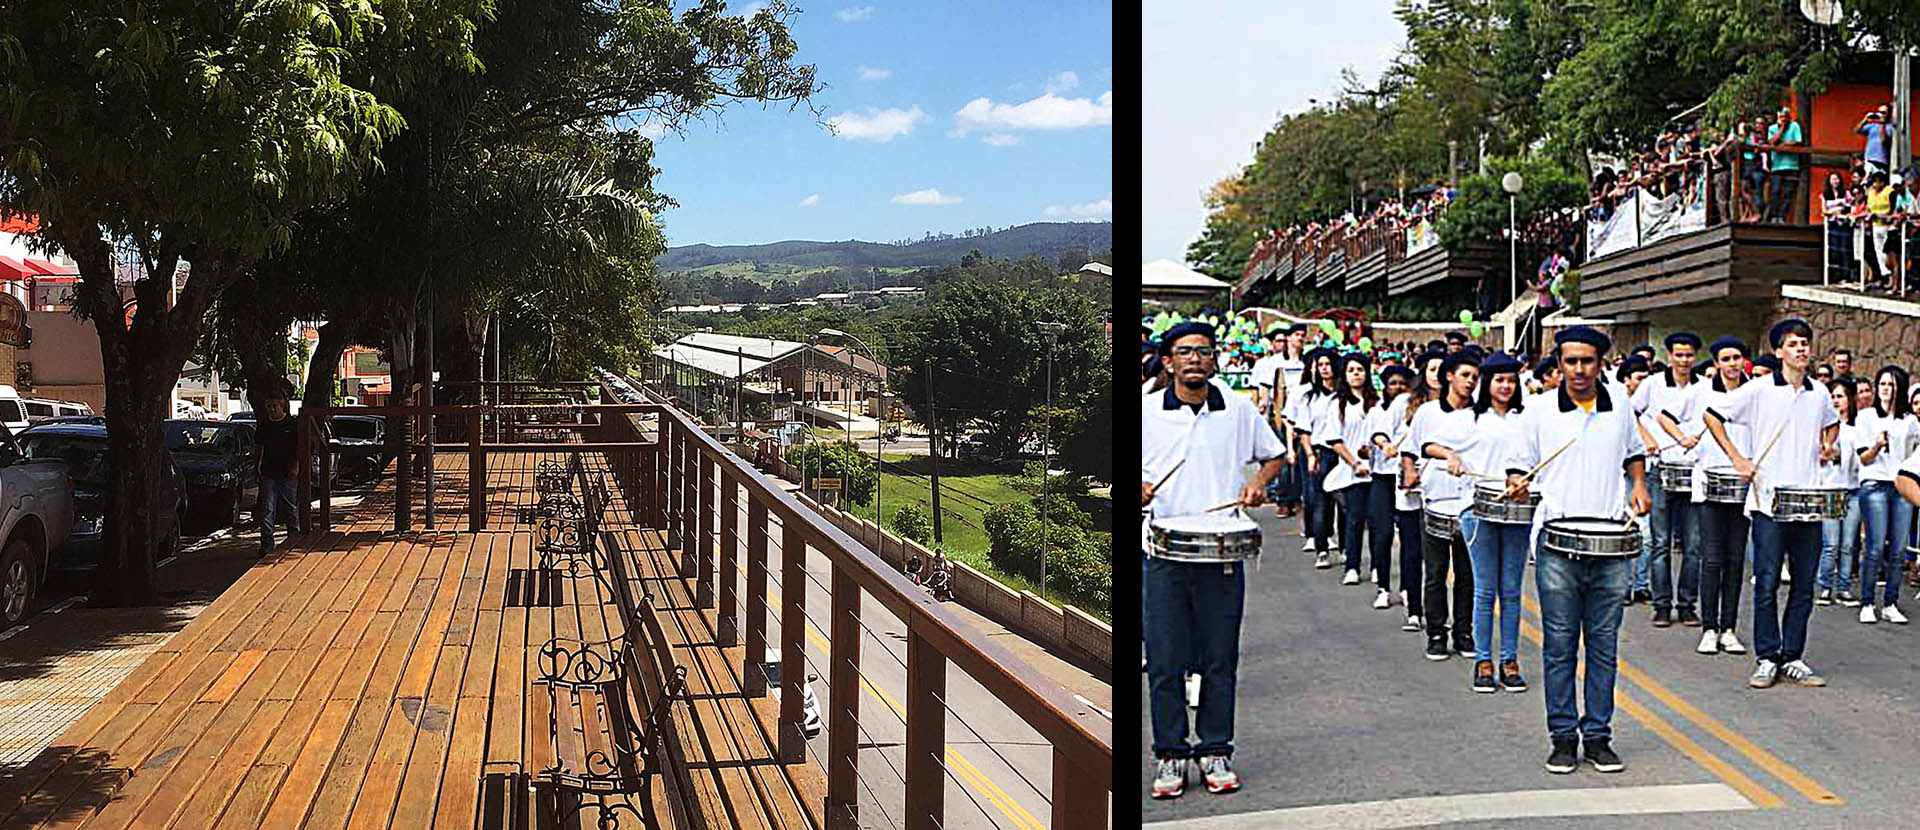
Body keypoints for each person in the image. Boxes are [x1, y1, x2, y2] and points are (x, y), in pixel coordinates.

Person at [1143, 322, 1285, 799]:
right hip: (1162, 551)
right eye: (1185, 352)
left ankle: (1215, 749)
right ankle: (1170, 755)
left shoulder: (1238, 410)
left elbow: (1274, 455)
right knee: (1165, 660)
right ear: (1168, 361)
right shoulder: (1145, 412)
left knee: (1219, 659)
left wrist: (1258, 484)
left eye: (1204, 351)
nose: (1195, 360)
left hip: (1222, 550)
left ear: (1214, 359)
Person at [1505, 326, 1652, 774]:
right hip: (1556, 542)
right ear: (1559, 363)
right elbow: (1519, 466)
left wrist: (1640, 485)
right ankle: (1563, 736)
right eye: (1571, 361)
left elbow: (1633, 453)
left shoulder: (1619, 405)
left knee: (1604, 646)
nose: (1579, 370)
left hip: (1610, 541)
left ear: (1600, 363)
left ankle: (1599, 736)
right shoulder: (1538, 410)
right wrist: (1517, 484)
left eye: (1587, 361)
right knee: (1560, 645)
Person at [1703, 318, 1842, 689]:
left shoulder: (1820, 393)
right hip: (1767, 501)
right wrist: (1737, 459)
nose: (1800, 350)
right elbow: (1713, 415)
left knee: (1804, 585)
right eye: (1793, 344)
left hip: (1808, 500)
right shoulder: (1760, 389)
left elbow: (1832, 423)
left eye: (1805, 344)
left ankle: (1793, 656)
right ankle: (1767, 656)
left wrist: (1828, 445)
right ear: (1779, 351)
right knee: (1766, 582)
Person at [1438, 352, 1530, 693]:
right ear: (1486, 383)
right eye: (1499, 380)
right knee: (1484, 589)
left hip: (1519, 510)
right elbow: (1430, 444)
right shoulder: (1468, 419)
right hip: (1477, 508)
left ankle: (1509, 659)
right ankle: (1482, 661)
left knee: (1511, 590)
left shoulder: (1527, 418)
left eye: (1511, 380)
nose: (1506, 386)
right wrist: (1451, 457)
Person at [1659, 337, 1754, 655]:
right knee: (1711, 557)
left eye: (1736, 358)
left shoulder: (1754, 392)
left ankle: (1729, 628)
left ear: (1743, 361)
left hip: (1744, 484)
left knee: (1736, 559)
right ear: (1716, 363)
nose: (1731, 364)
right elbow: (1664, 416)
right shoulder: (1699, 392)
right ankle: (1709, 627)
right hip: (1708, 483)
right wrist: (1681, 437)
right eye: (1725, 358)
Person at [1409, 352, 1481, 661]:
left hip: (1470, 502)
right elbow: (1419, 446)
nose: (1471, 382)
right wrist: (1446, 456)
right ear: (1449, 376)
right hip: (1437, 500)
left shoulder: (1482, 414)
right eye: (1465, 375)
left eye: (1475, 377)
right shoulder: (1427, 412)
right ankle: (1436, 633)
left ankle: (1464, 632)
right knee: (1436, 572)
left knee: (1468, 574)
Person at [1635, 332, 1704, 627]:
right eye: (1678, 354)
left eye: (1689, 355)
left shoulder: (1705, 387)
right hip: (1660, 468)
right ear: (1669, 355)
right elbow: (1631, 414)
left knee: (1693, 545)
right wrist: (1647, 438)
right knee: (1661, 542)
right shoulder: (1652, 384)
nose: (1684, 360)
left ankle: (1687, 604)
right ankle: (1662, 605)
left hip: (1695, 471)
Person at [1854, 365, 1916, 624]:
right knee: (1876, 545)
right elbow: (1864, 459)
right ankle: (1867, 602)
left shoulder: (1910, 421)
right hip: (1875, 484)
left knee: (1899, 548)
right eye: (1882, 384)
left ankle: (1890, 602)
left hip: (1900, 486)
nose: (1886, 389)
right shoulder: (1866, 417)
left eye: (1891, 384)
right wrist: (1877, 445)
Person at [1321, 353, 1378, 588]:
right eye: (1351, 370)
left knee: (1377, 521)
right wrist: (1354, 462)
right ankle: (1352, 566)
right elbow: (1334, 439)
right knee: (1354, 519)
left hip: (1377, 471)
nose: (1356, 374)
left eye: (1360, 369)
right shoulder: (1338, 404)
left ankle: (1378, 565)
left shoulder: (1377, 402)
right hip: (1352, 470)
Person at [1367, 364, 1415, 611]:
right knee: (1383, 534)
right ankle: (1384, 588)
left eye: (1403, 383)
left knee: (1410, 539)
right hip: (1384, 477)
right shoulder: (1387, 408)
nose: (1398, 388)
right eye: (1393, 383)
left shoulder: (1422, 407)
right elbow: (1378, 434)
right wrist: (1384, 444)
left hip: (1408, 480)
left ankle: (1408, 588)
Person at [1816, 378, 1864, 608]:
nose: (1836, 401)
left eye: (1841, 396)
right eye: (1833, 396)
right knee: (1831, 543)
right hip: (1831, 489)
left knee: (1848, 544)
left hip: (1853, 489)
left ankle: (1844, 587)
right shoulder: (1823, 427)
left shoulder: (1858, 428)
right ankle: (1825, 585)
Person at [252, 386, 302, 554]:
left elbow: (300, 448)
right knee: (267, 508)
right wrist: (256, 466)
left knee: (291, 507)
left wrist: (296, 466)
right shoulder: (264, 425)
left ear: (282, 406)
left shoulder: (292, 424)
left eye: (275, 406)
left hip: (288, 472)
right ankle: (267, 542)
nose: (272, 409)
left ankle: (294, 537)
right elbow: (259, 447)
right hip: (268, 472)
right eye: (269, 406)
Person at [1765, 107, 1805, 224]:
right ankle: (1774, 216)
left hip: (1792, 165)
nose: (1783, 119)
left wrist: (1783, 145)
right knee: (1775, 191)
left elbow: (1797, 142)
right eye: (1781, 117)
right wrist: (1781, 128)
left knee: (1789, 192)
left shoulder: (1795, 126)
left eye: (1785, 117)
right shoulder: (1772, 128)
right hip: (1777, 165)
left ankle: (1782, 216)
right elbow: (1772, 142)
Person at [1859, 103, 1896, 177]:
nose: (1880, 114)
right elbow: (1857, 130)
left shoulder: (1890, 128)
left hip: (1881, 162)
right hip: (1869, 159)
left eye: (1883, 113)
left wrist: (1882, 124)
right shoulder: (1872, 126)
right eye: (1879, 112)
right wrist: (1865, 120)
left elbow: (1883, 140)